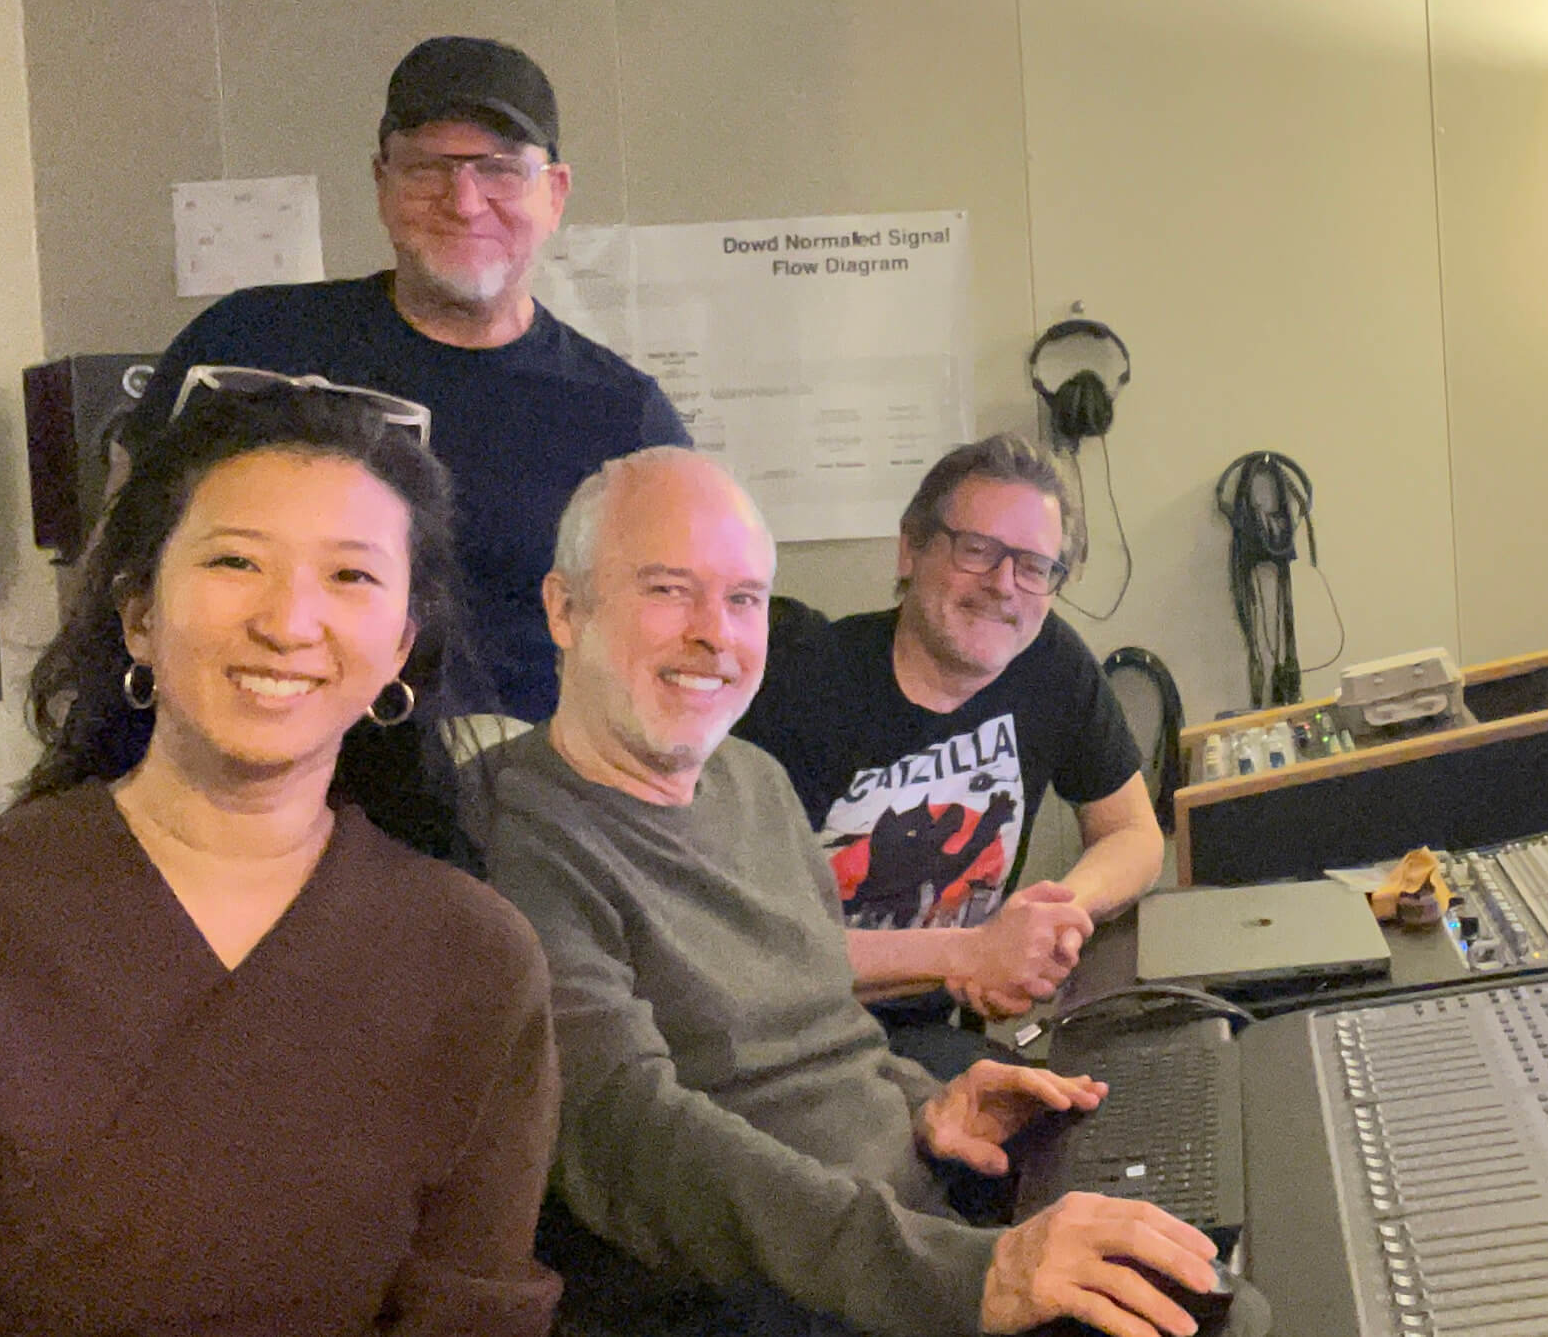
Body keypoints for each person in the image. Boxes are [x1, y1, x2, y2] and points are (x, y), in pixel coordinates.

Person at [0, 374, 563, 1333]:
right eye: (236, 562)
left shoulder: (474, 958)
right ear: (139, 616)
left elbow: (476, 1306)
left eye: (351, 576)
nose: (287, 623)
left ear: (403, 647)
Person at [478, 448, 1237, 1337]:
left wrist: (928, 1106)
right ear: (565, 610)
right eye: (667, 590)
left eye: (743, 600)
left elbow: (819, 1025)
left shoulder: (748, 779)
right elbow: (632, 1141)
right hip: (785, 1287)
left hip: (903, 1225)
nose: (714, 635)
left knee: (1225, 1278)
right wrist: (972, 1275)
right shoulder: (515, 835)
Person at [129, 34, 689, 723]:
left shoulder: (624, 417)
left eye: (500, 170)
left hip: (514, 804)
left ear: (556, 194)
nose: (463, 201)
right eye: (427, 168)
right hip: (264, 772)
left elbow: (674, 633)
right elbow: (123, 560)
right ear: (383, 186)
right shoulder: (252, 344)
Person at [735, 435, 1164, 1058]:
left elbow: (1134, 835)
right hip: (791, 1042)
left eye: (1034, 567)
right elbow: (758, 946)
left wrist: (1052, 918)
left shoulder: (1051, 664)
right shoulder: (801, 687)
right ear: (911, 548)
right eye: (978, 550)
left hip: (930, 1035)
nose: (1003, 585)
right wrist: (973, 952)